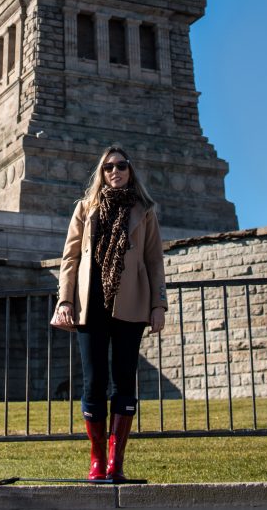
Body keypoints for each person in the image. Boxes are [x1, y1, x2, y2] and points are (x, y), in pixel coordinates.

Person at [54, 146, 168, 482]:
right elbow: (69, 259)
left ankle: (116, 464)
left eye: (121, 166)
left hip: (130, 306)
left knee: (123, 383)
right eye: (108, 167)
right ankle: (97, 461)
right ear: (101, 173)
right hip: (91, 307)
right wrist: (64, 301)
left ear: (131, 170)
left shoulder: (145, 211)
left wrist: (158, 305)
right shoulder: (85, 208)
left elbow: (154, 262)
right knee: (94, 383)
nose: (114, 171)